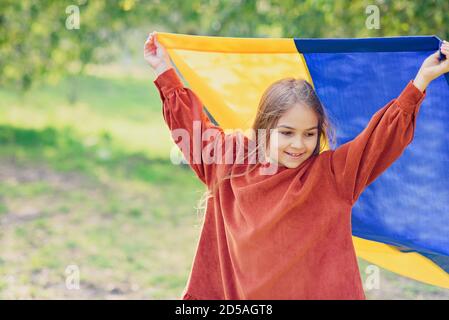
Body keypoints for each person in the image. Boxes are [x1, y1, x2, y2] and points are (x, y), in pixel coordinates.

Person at [144, 31, 449, 299]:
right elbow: (192, 127)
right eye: (286, 133)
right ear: (264, 127)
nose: (298, 144)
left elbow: (380, 139)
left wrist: (420, 81)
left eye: (309, 134)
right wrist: (163, 69)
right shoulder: (229, 161)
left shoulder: (332, 176)